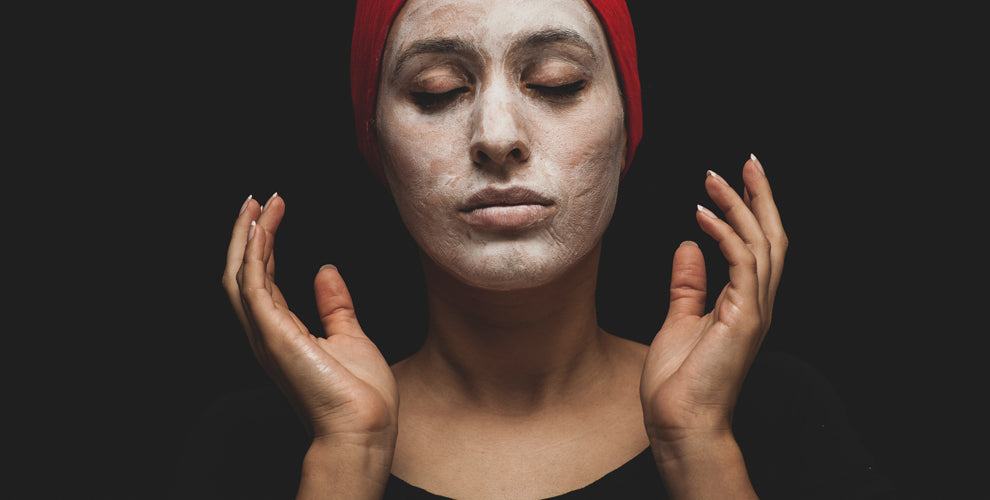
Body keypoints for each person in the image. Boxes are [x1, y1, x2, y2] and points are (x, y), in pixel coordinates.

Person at [179, 0, 894, 498]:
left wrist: (698, 446)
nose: (497, 135)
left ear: (626, 130)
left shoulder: (777, 415)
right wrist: (347, 455)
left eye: (558, 82)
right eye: (437, 91)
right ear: (376, 148)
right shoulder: (254, 442)